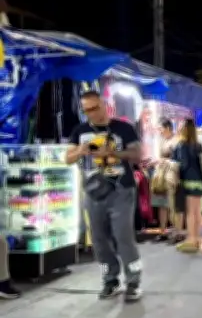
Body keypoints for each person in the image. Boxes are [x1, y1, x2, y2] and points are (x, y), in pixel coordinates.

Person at [67, 90, 143, 302]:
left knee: (123, 237)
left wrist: (111, 153)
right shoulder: (80, 131)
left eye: (95, 108)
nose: (92, 113)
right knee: (99, 240)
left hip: (121, 190)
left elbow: (137, 155)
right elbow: (67, 158)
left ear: (104, 105)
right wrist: (81, 151)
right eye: (87, 110)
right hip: (94, 192)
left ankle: (134, 281)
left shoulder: (123, 128)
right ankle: (110, 279)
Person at [171, 119, 202, 253]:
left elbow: (182, 164)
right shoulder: (198, 145)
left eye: (180, 126)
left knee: (190, 213)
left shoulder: (181, 145)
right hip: (199, 182)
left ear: (183, 129)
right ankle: (196, 239)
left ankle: (191, 240)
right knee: (197, 212)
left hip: (187, 182)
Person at [151, 118, 183, 243]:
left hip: (173, 177)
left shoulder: (177, 142)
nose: (159, 131)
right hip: (161, 176)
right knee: (161, 204)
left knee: (174, 205)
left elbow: (179, 162)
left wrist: (162, 161)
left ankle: (178, 232)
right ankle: (163, 231)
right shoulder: (163, 140)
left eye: (161, 128)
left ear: (168, 128)